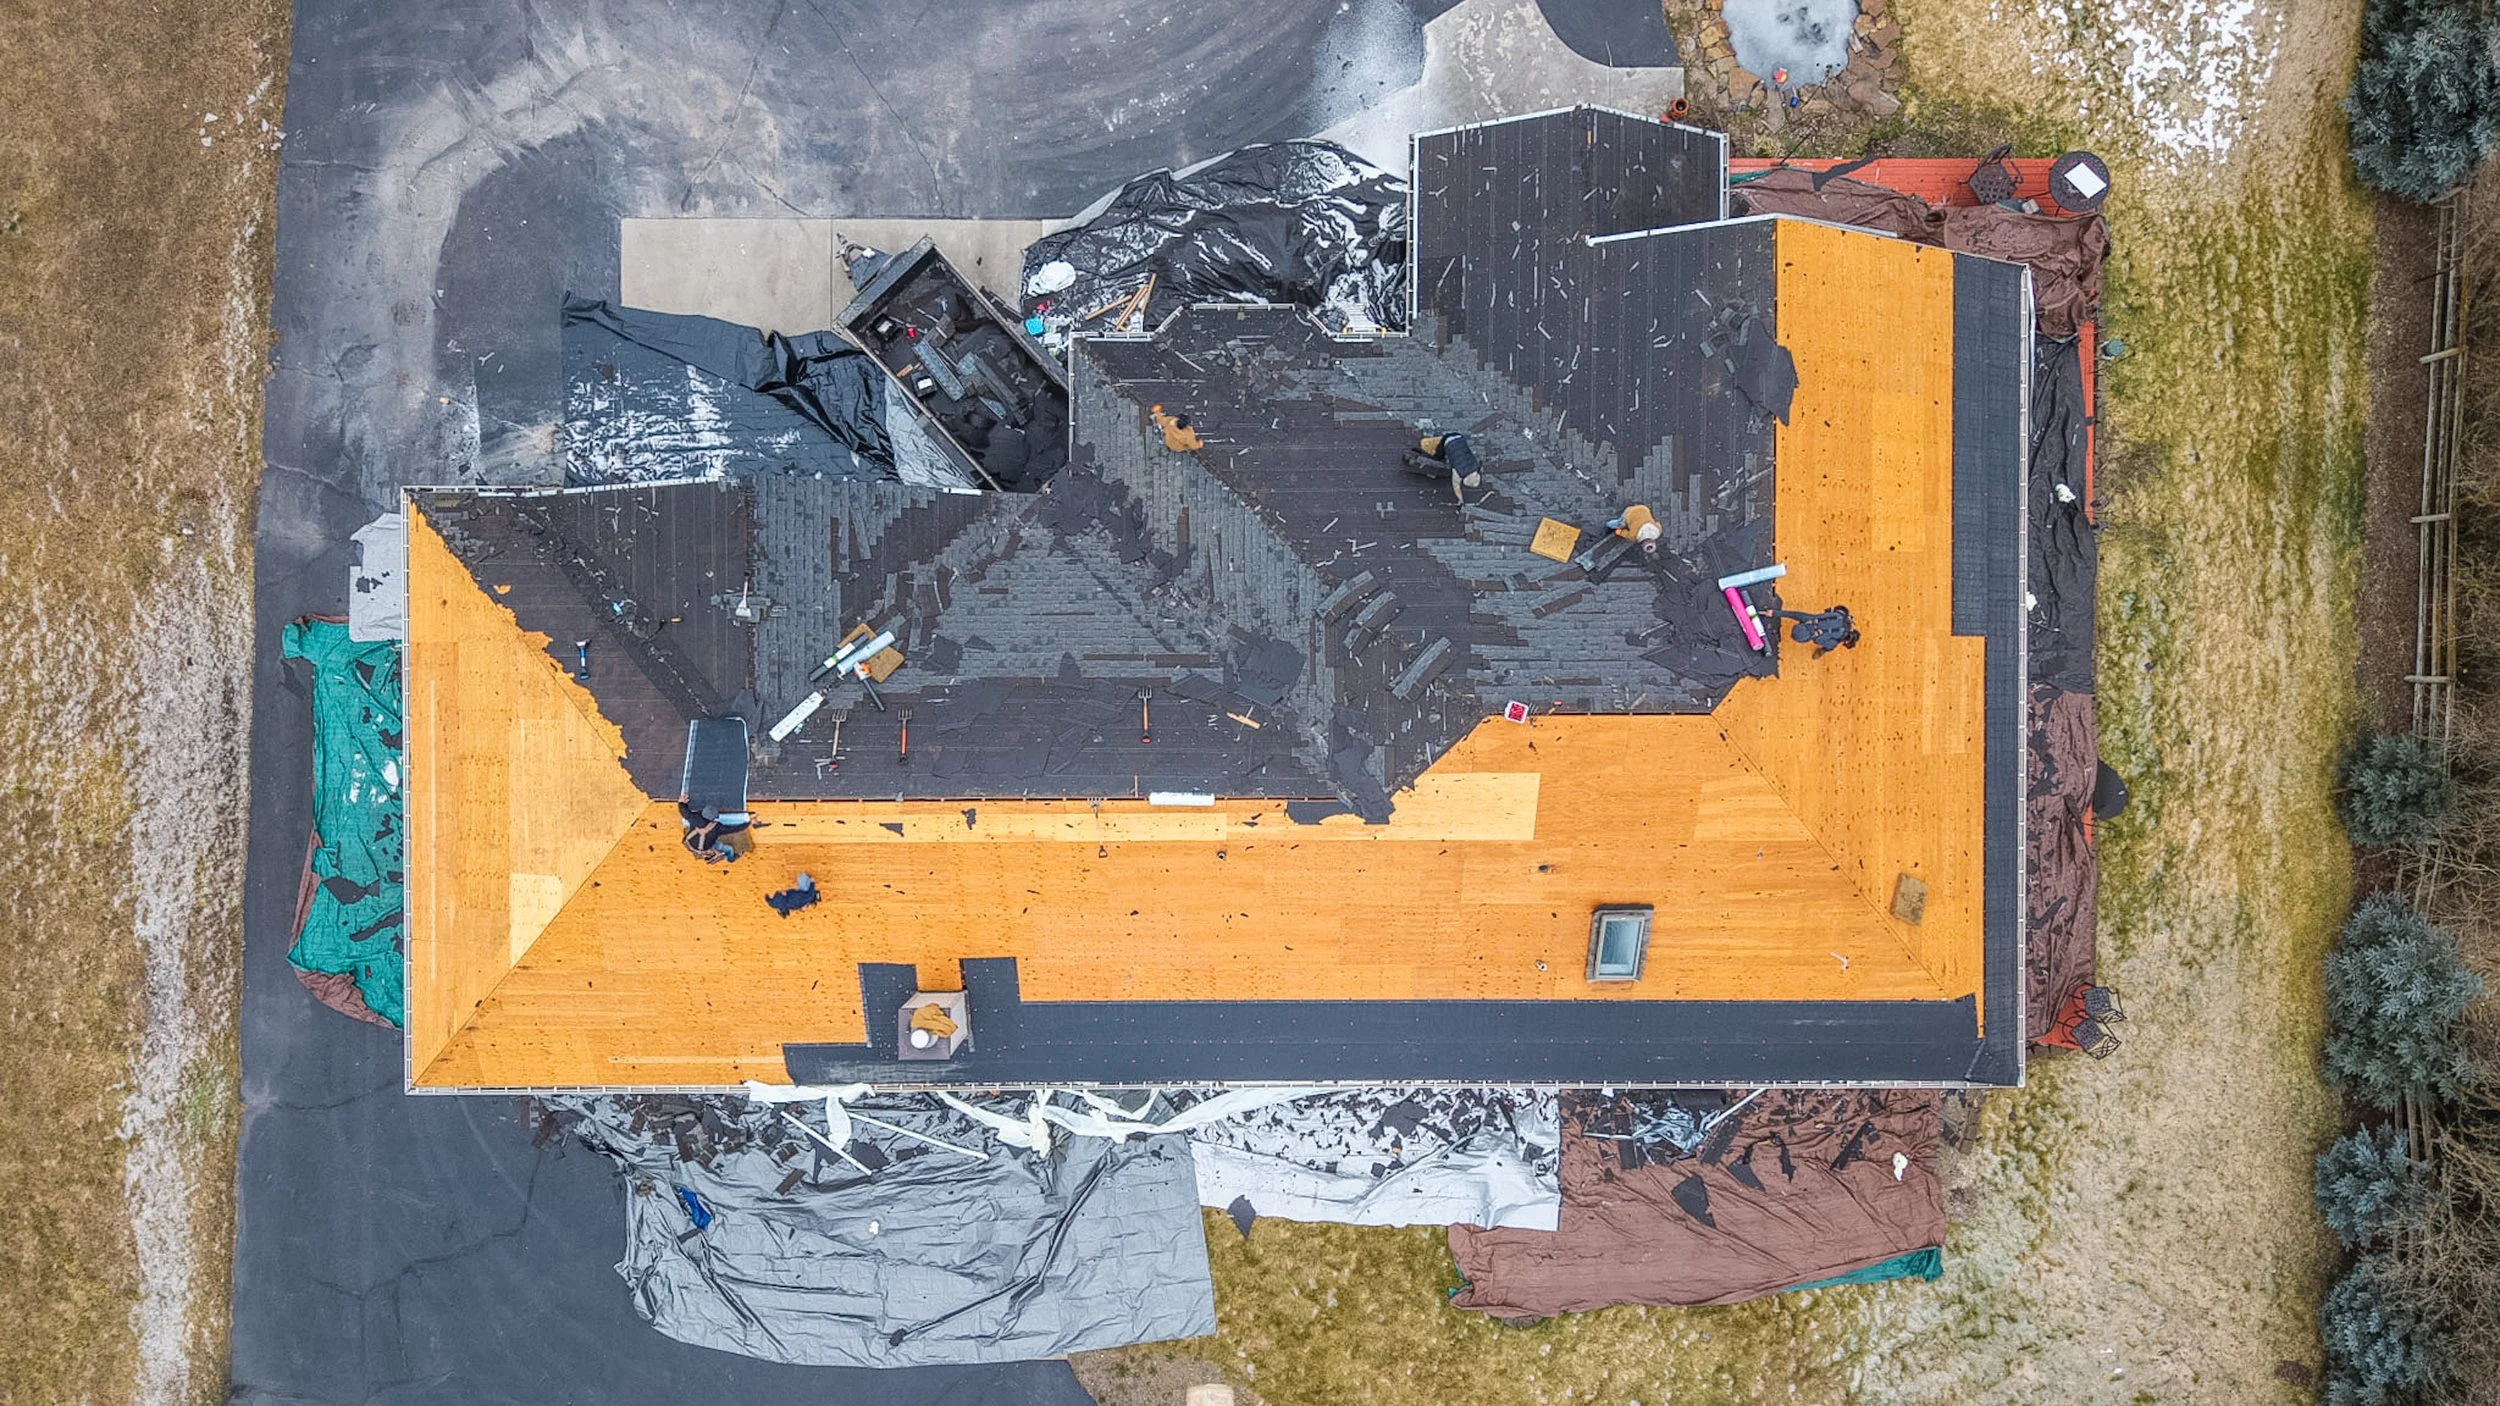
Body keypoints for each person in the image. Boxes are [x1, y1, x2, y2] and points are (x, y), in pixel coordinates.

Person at [1400, 432, 1483, 498]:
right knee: (1438, 456)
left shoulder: (1474, 465)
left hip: (1458, 438)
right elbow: (1456, 487)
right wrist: (1460, 499)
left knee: (1441, 455)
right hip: (1448, 443)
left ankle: (1422, 453)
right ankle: (1422, 455)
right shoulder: (1458, 472)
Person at [677, 795, 750, 864]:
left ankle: (710, 855)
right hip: (705, 848)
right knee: (729, 849)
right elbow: (734, 829)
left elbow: (684, 812)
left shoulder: (694, 817)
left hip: (690, 845)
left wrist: (681, 803)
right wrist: (748, 823)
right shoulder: (716, 828)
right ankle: (731, 859)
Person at [1776, 605, 1861, 657]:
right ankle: (1823, 651)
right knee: (1830, 646)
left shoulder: (1809, 618)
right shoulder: (1834, 641)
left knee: (1831, 642)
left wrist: (1775, 613)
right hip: (1834, 622)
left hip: (1838, 617)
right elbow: (1817, 640)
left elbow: (1794, 614)